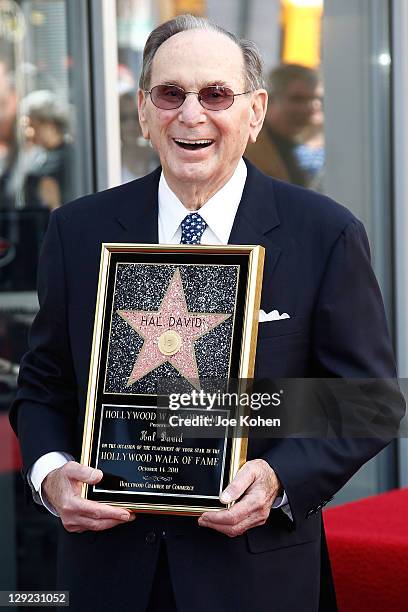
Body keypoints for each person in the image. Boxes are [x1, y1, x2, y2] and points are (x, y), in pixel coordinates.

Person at [10, 14, 403, 612]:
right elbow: (43, 386)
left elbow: (369, 401)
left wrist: (276, 478)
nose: (192, 115)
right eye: (171, 94)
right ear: (144, 112)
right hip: (106, 576)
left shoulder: (323, 233)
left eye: (216, 94)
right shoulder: (78, 230)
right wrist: (50, 474)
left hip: (255, 578)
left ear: (255, 111)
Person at [245, 63, 323, 187]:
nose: (309, 107)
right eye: (297, 99)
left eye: (314, 99)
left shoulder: (290, 144)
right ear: (268, 100)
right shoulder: (252, 148)